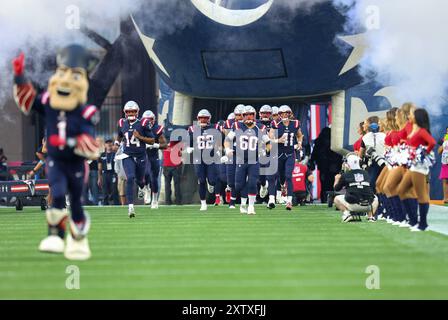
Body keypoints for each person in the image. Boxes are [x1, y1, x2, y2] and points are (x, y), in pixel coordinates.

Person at [12, 45, 100, 260]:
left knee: (77, 202)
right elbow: (29, 101)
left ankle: (78, 239)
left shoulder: (85, 111)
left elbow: (90, 141)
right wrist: (19, 77)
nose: (65, 81)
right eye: (61, 74)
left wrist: (72, 141)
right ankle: (56, 235)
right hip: (56, 161)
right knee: (57, 193)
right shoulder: (49, 102)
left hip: (76, 163)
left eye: (74, 76)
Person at [224, 105, 270, 215]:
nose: (248, 117)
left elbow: (268, 143)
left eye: (250, 115)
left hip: (254, 160)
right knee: (239, 184)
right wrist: (227, 149)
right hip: (240, 159)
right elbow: (227, 139)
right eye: (246, 115)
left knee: (252, 183)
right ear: (242, 116)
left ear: (254, 115)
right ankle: (243, 204)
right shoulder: (237, 126)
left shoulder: (260, 128)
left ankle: (251, 206)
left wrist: (265, 151)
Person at [397, 108, 436, 231]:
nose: (410, 116)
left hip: (419, 166)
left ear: (417, 117)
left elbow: (432, 143)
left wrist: (423, 154)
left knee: (421, 195)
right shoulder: (415, 129)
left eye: (412, 115)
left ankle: (423, 224)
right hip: (412, 165)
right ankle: (413, 221)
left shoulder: (422, 131)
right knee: (401, 189)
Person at [115, 101, 155, 218]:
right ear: (125, 113)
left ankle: (143, 187)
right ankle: (130, 207)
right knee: (130, 178)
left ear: (137, 112)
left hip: (141, 155)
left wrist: (140, 137)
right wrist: (117, 142)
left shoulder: (143, 123)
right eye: (129, 112)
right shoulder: (122, 122)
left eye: (133, 111)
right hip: (127, 155)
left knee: (140, 180)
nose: (131, 113)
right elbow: (120, 133)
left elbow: (152, 140)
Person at [186, 109, 222, 211]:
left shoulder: (215, 127)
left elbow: (219, 141)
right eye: (201, 118)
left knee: (212, 180)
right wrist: (188, 147)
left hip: (211, 157)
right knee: (201, 180)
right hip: (198, 158)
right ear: (198, 119)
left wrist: (219, 149)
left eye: (205, 118)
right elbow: (188, 141)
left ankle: (210, 183)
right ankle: (203, 203)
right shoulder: (192, 129)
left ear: (209, 119)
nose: (203, 120)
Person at [269, 105, 303, 210]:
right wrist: (278, 140)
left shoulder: (295, 123)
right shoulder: (275, 124)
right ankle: (271, 199)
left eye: (286, 113)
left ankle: (289, 200)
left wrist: (300, 143)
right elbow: (270, 138)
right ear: (279, 115)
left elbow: (299, 135)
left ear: (290, 113)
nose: (284, 115)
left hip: (289, 154)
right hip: (278, 154)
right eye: (282, 114)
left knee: (288, 176)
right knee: (275, 176)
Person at [334, 154, 379, 222]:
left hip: (353, 204)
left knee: (336, 199)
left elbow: (337, 188)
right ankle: (370, 216)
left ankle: (347, 214)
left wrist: (337, 179)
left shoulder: (345, 175)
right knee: (375, 198)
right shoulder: (366, 173)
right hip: (368, 205)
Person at [142, 110, 168, 209]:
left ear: (154, 120)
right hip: (143, 155)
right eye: (146, 120)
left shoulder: (157, 129)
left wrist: (155, 145)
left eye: (150, 119)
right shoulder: (140, 128)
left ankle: (154, 200)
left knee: (154, 178)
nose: (149, 122)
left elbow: (165, 145)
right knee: (144, 175)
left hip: (153, 156)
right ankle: (145, 189)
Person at [310, 127, 342, 203]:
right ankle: (333, 199)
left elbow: (314, 154)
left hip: (323, 167)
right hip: (334, 167)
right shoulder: (335, 142)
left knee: (324, 185)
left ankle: (324, 200)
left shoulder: (319, 142)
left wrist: (312, 162)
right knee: (333, 184)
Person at [360, 116, 387, 188]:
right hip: (384, 162)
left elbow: (361, 153)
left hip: (372, 163)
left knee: (371, 182)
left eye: (365, 123)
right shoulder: (384, 135)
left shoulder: (365, 137)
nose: (363, 125)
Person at [163, 141, 184, 205]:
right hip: (176, 165)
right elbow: (181, 153)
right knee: (177, 184)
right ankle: (178, 201)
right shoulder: (178, 142)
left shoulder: (164, 141)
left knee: (167, 184)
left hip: (167, 164)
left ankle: (168, 201)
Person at [98, 140, 118, 206]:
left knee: (114, 190)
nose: (109, 145)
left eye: (110, 144)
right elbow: (99, 168)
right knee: (105, 191)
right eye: (107, 144)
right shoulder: (102, 155)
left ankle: (116, 204)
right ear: (105, 145)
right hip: (105, 174)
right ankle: (105, 205)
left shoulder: (115, 154)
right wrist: (99, 178)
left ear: (112, 145)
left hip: (113, 174)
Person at [439, 129, 448, 204]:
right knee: (445, 180)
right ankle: (445, 198)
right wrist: (443, 143)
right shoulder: (444, 140)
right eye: (447, 131)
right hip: (445, 162)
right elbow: (439, 152)